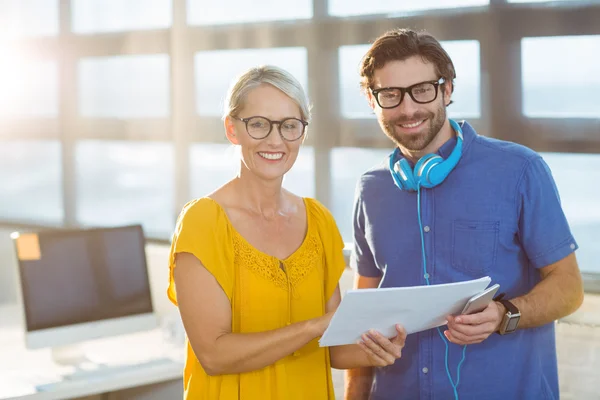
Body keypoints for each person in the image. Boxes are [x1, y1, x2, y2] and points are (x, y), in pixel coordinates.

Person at [345, 29, 584, 400]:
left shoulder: (520, 170)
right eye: (390, 94)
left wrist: (506, 313)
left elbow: (569, 287)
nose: (408, 109)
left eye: (422, 89)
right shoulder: (370, 188)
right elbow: (364, 319)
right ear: (371, 100)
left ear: (447, 89)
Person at [166, 65, 407, 400]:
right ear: (232, 129)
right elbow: (214, 355)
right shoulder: (203, 222)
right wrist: (313, 326)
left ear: (302, 133)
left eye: (289, 126)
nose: (275, 140)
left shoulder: (318, 220)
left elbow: (336, 349)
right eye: (259, 124)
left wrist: (378, 349)